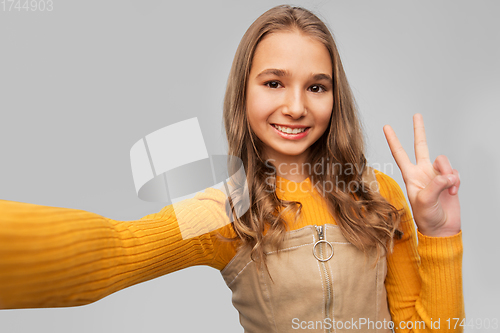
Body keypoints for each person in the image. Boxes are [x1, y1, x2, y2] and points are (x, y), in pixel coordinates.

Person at [0, 4, 464, 332]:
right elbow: (115, 252)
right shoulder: (226, 207)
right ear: (244, 92)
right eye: (274, 82)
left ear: (333, 97)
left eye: (316, 87)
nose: (296, 106)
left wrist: (439, 233)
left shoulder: (377, 193)